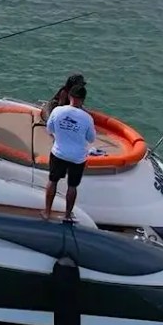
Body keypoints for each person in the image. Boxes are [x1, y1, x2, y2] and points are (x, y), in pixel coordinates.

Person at [42, 83, 95, 222]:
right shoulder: (87, 118)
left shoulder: (57, 111)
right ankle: (66, 215)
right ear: (83, 99)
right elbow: (91, 139)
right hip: (78, 157)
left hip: (58, 153)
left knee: (52, 181)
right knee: (72, 186)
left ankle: (47, 212)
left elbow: (49, 129)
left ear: (70, 96)